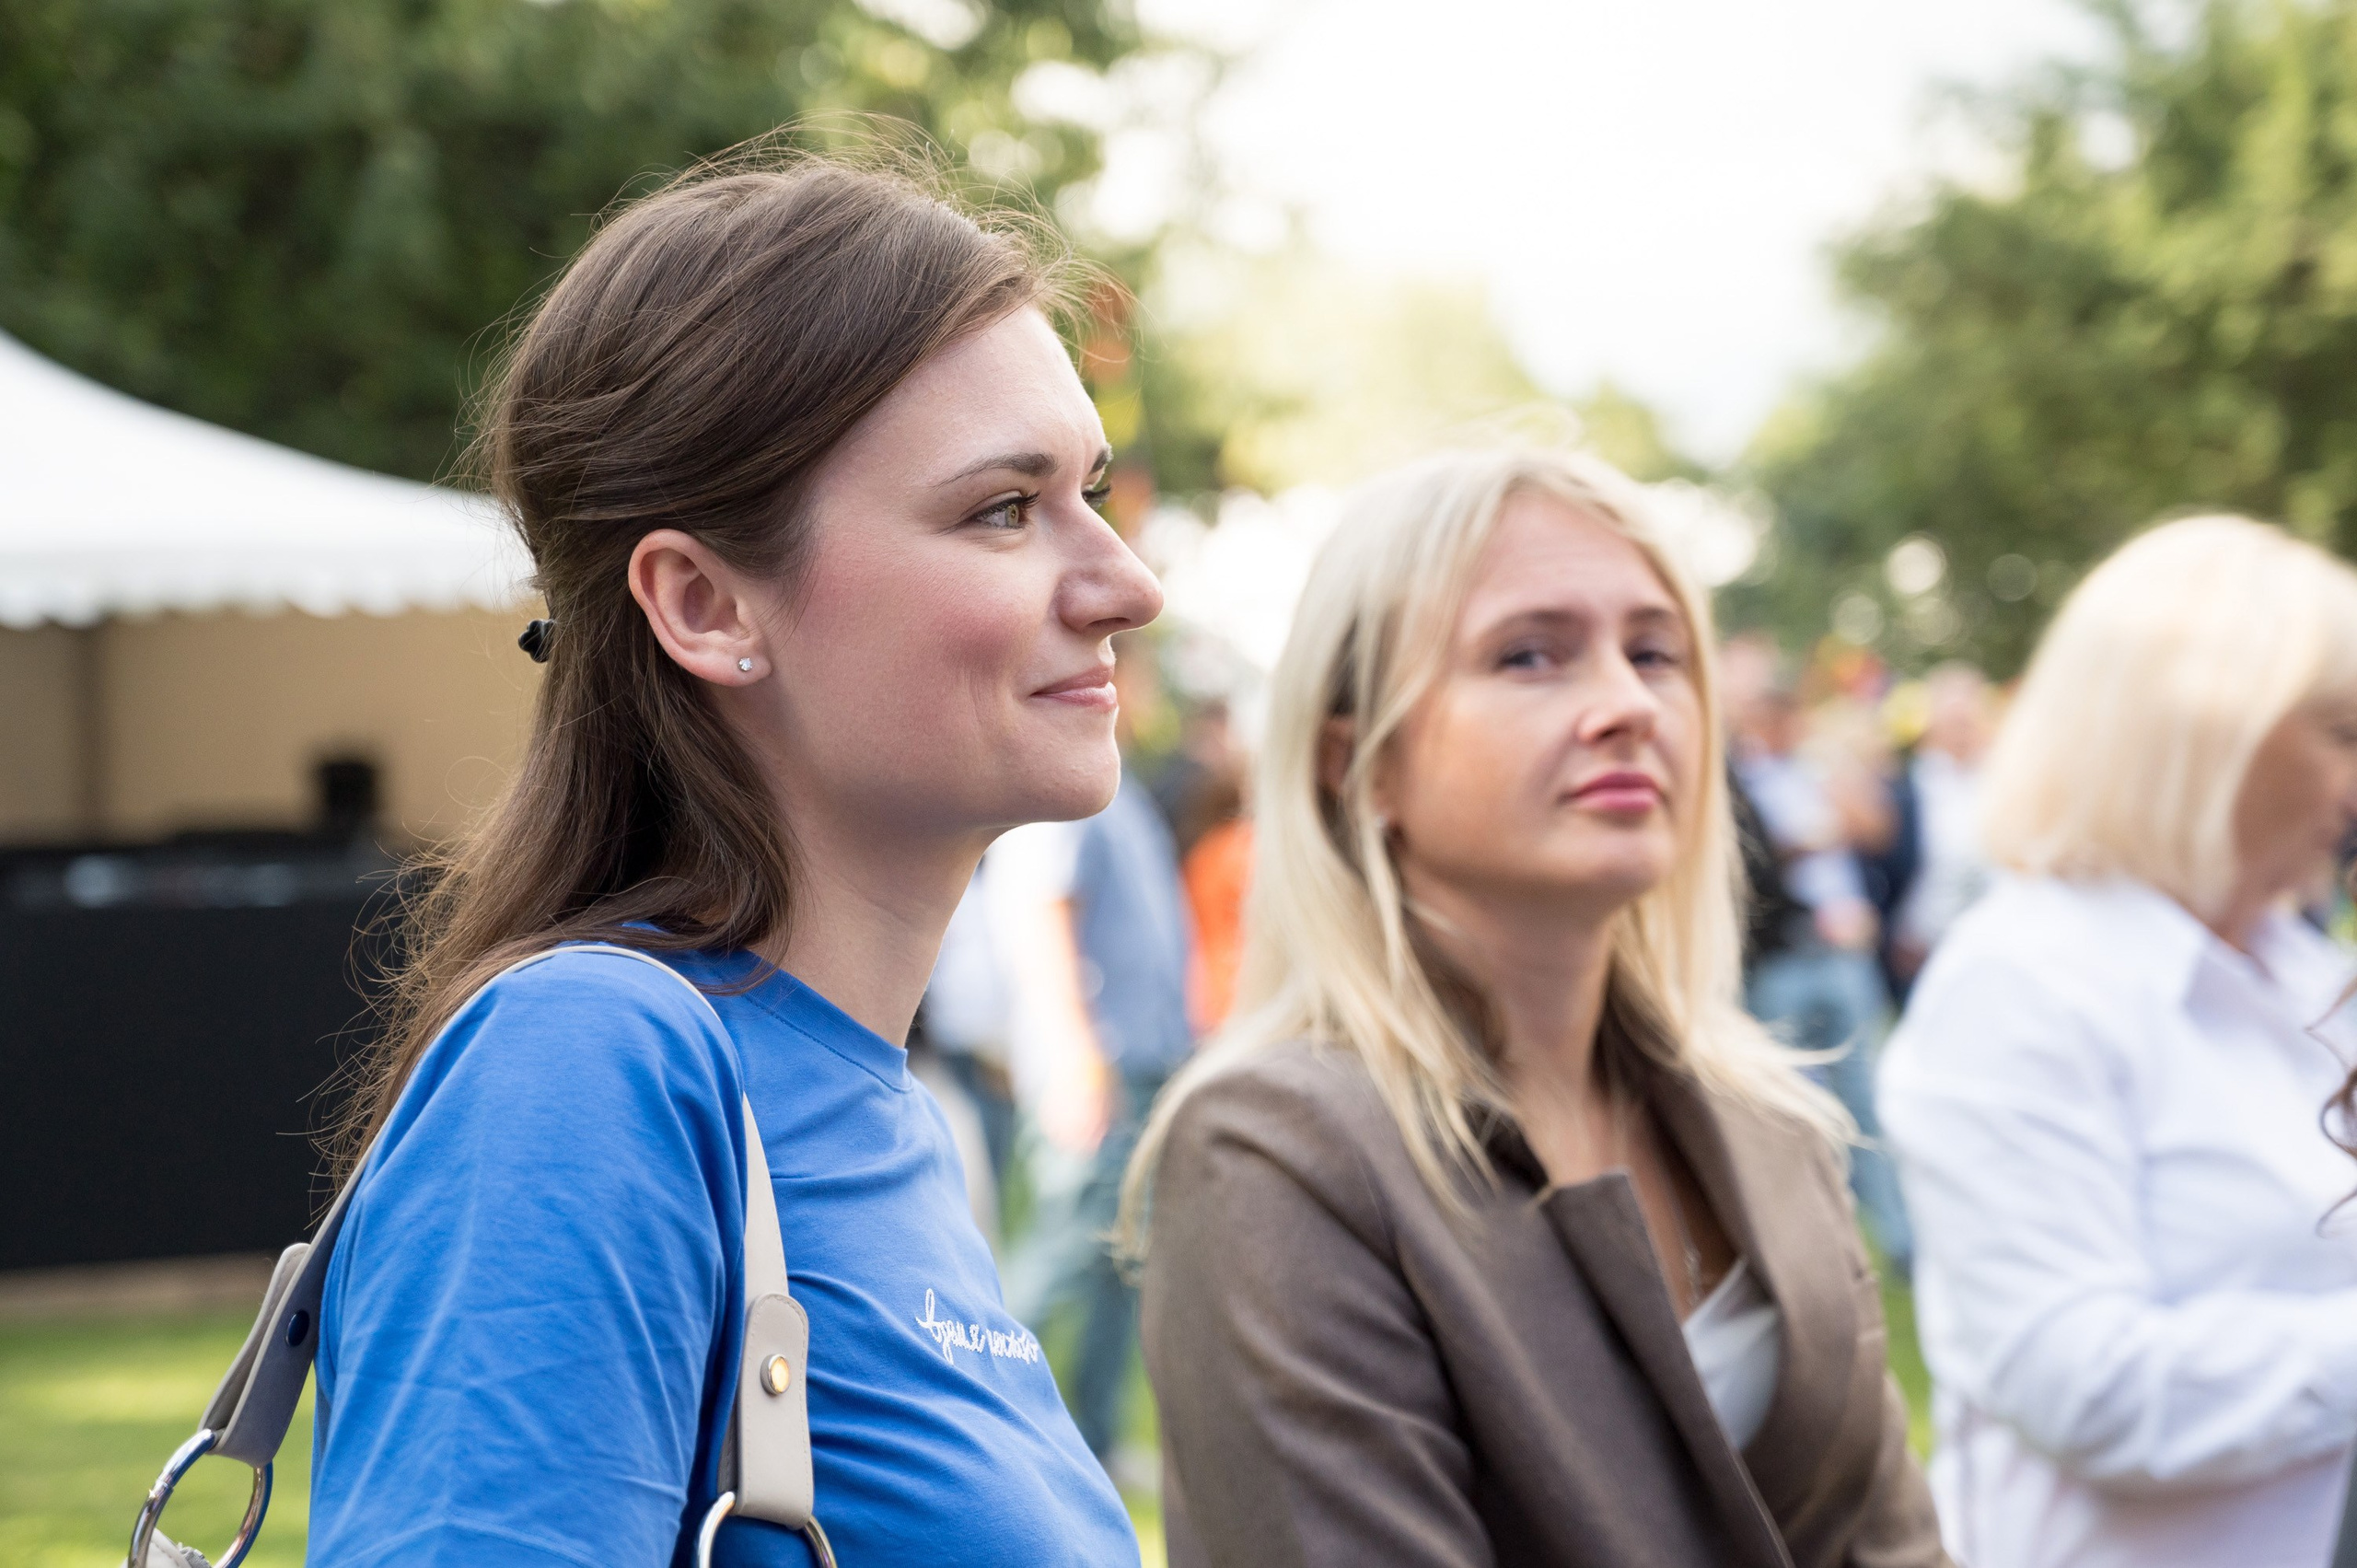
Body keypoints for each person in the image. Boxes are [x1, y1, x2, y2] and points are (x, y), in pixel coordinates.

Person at [305, 152, 1158, 1566]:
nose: (1129, 582)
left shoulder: (881, 1119)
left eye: (1092, 490)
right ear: (704, 604)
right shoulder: (587, 1057)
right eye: (1004, 507)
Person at [1124, 447, 1945, 1568]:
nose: (1625, 704)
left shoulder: (1765, 1113)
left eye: (1655, 651)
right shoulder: (1280, 1151)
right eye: (1529, 654)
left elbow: (1889, 1539)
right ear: (1356, 761)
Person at [1879, 515, 2357, 1568]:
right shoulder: (2023, 983)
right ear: (2200, 733)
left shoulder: (2306, 974)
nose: (2353, 777)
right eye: (2338, 730)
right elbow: (2084, 1384)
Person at [993, 639, 1196, 1469]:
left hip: (1147, 1067)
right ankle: (982, 1426)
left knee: (1120, 1266)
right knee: (1061, 1258)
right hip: (1099, 1069)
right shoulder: (1062, 784)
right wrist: (1077, 1057)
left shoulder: (1122, 783)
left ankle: (1093, 1444)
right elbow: (1045, 914)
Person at [1724, 646, 1914, 1273]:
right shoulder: (1738, 780)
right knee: (1796, 1107)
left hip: (1841, 954)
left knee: (1865, 1097)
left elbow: (1874, 827)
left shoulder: (1816, 769)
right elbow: (1754, 860)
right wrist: (1807, 842)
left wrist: (1840, 777)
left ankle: (1899, 1241)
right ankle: (1827, 1249)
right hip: (1781, 958)